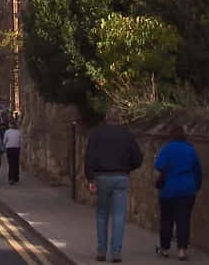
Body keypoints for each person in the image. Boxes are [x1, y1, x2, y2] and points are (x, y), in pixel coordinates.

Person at [84, 108, 144, 263]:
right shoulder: (127, 135)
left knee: (102, 214)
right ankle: (116, 253)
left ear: (106, 118)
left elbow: (89, 157)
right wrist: (127, 168)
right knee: (119, 216)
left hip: (102, 177)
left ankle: (101, 252)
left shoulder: (96, 134)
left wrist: (91, 179)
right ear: (119, 119)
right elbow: (138, 158)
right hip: (121, 177)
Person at [154, 125, 202, 261]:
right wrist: (196, 186)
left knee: (166, 220)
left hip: (168, 190)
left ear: (171, 136)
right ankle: (182, 250)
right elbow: (198, 170)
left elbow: (158, 167)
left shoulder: (167, 149)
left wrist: (157, 183)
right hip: (187, 190)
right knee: (184, 220)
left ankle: (164, 248)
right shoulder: (190, 150)